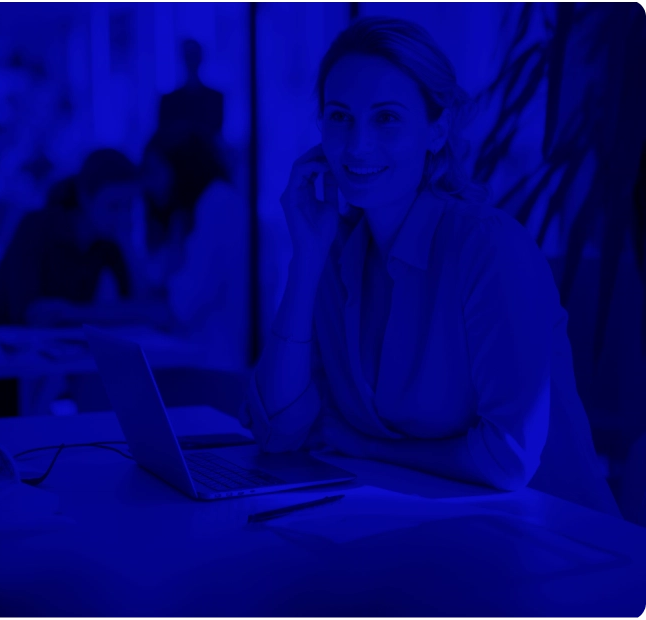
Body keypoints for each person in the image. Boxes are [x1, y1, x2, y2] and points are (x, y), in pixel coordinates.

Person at [240, 16, 621, 517]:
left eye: (386, 117)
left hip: (563, 548)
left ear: (437, 129)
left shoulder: (487, 247)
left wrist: (368, 447)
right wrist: (306, 258)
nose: (356, 146)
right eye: (339, 116)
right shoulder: (332, 254)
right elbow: (279, 432)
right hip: (431, 533)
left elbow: (507, 458)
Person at [0, 149, 172, 328]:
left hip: (54, 356)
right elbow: (31, 315)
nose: (122, 217)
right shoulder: (36, 226)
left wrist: (71, 312)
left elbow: (147, 309)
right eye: (114, 206)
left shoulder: (108, 240)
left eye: (129, 207)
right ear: (85, 198)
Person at [140, 129, 248, 371]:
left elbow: (178, 307)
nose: (148, 185)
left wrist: (74, 313)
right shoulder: (188, 214)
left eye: (155, 171)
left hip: (219, 368)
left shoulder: (219, 206)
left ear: (182, 168)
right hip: (201, 362)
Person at [158, 39, 224, 140]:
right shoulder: (168, 100)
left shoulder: (215, 98)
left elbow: (215, 132)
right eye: (188, 55)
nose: (191, 60)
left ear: (200, 58)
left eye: (194, 55)